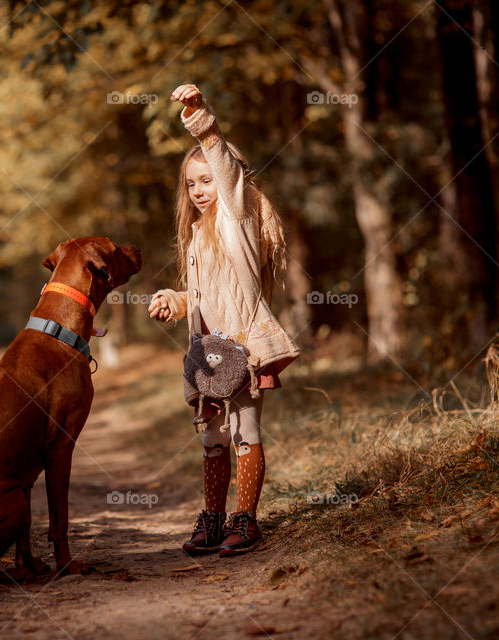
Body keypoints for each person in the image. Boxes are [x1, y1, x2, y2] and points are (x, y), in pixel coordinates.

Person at [148, 84, 300, 557]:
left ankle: (245, 519)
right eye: (191, 183)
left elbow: (226, 169)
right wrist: (176, 301)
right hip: (207, 356)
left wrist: (201, 120)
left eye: (206, 180)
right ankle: (212, 517)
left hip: (244, 346)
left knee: (243, 432)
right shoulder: (196, 235)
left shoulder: (238, 218)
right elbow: (203, 293)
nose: (199, 190)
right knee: (211, 436)